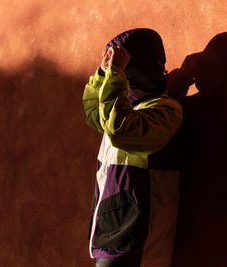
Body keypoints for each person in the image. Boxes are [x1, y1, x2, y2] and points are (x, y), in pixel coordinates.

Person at [82, 28, 182, 267]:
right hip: (112, 236)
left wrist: (115, 74)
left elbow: (121, 129)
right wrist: (102, 74)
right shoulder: (121, 108)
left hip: (139, 242)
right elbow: (94, 113)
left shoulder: (166, 110)